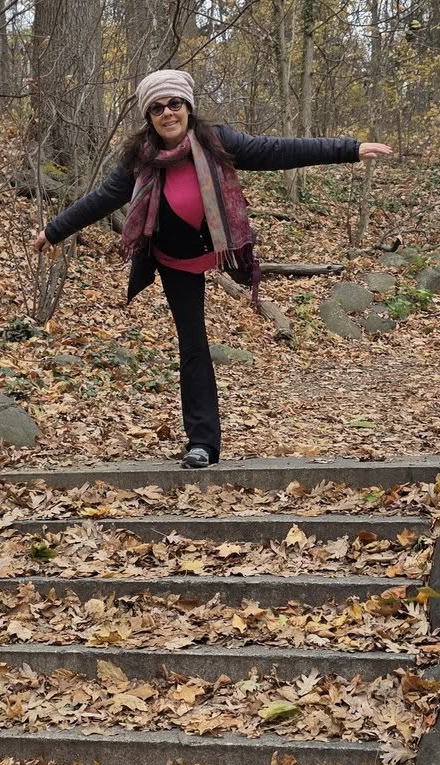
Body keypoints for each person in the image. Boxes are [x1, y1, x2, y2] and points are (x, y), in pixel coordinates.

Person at [30, 69, 392, 469]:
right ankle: (202, 443)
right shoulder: (139, 160)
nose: (168, 113)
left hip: (222, 247)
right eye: (157, 107)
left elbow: (279, 150)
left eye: (175, 104)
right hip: (173, 260)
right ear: (148, 116)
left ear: (187, 107)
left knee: (203, 339)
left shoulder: (217, 142)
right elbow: (102, 199)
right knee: (193, 344)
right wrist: (54, 231)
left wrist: (350, 149)